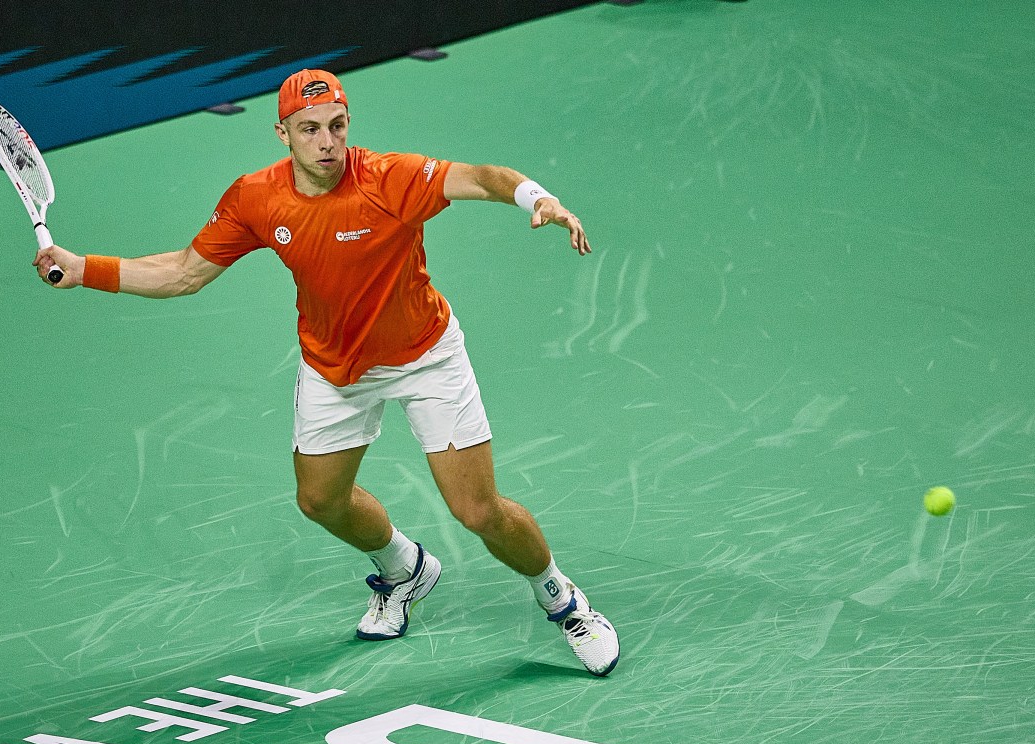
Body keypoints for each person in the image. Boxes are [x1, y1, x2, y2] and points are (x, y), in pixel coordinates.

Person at [33, 69, 620, 676]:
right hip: (334, 367)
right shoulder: (255, 198)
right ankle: (405, 569)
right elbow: (184, 272)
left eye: (337, 126)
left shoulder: (389, 178)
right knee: (320, 501)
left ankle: (562, 599)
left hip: (425, 356)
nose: (326, 141)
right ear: (283, 133)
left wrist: (537, 198)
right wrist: (85, 269)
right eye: (309, 129)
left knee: (478, 511)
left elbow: (481, 177)